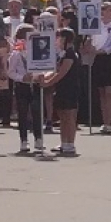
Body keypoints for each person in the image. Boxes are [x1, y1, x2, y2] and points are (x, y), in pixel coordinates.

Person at [39, 28, 82, 156]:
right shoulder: (63, 54)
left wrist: (48, 83)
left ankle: (70, 144)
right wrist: (43, 77)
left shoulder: (70, 54)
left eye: (59, 38)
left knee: (69, 116)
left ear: (65, 39)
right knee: (62, 115)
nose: (57, 40)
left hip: (70, 88)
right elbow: (54, 70)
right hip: (62, 88)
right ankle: (64, 143)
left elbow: (61, 73)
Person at [7, 24, 44, 153]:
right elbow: (10, 72)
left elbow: (43, 67)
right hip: (22, 86)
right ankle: (23, 140)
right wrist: (22, 77)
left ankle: (39, 138)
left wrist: (38, 76)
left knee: (37, 112)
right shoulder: (16, 54)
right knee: (22, 113)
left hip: (35, 85)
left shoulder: (37, 51)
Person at [90, 2, 111, 134]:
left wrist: (98, 51)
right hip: (98, 60)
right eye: (108, 11)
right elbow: (91, 41)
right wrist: (90, 49)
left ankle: (109, 122)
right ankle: (104, 121)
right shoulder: (95, 25)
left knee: (109, 91)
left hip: (110, 59)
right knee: (102, 92)